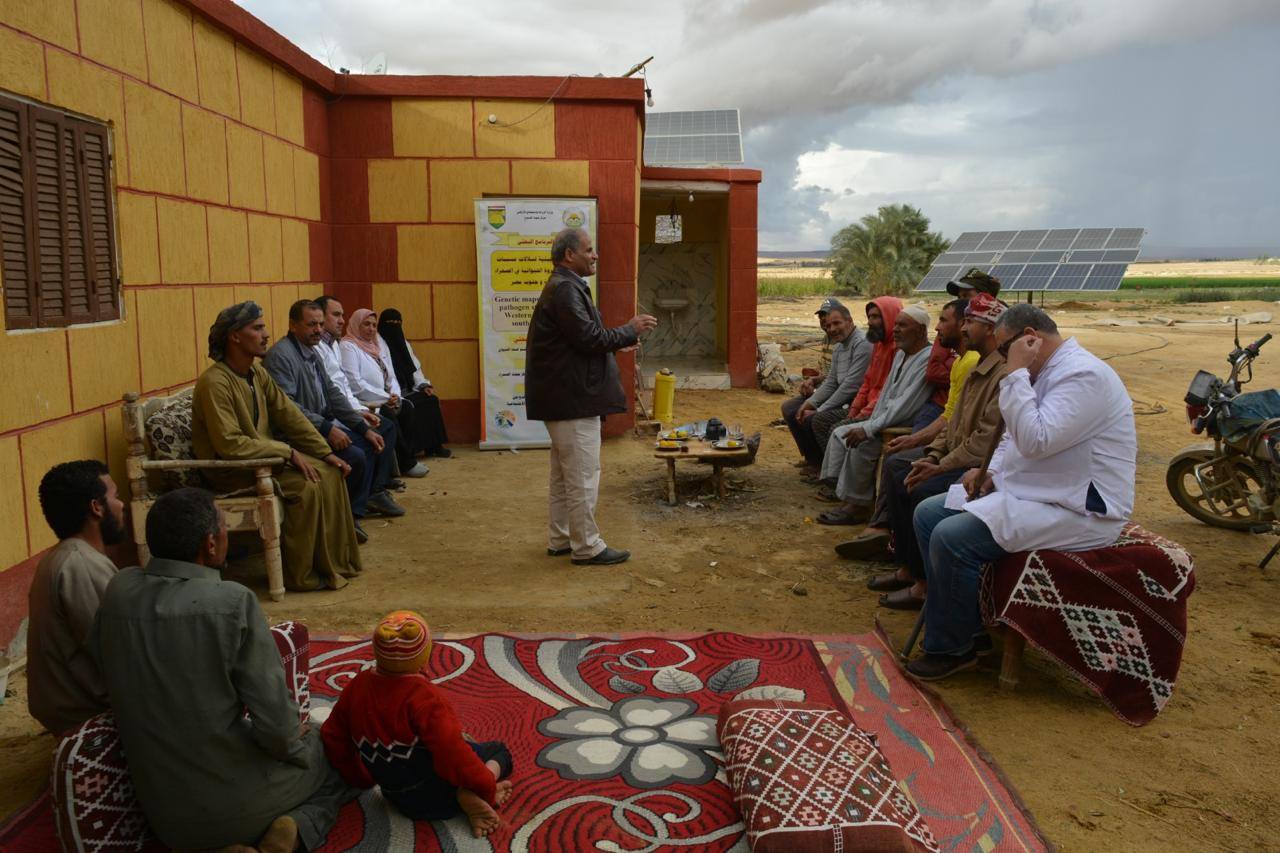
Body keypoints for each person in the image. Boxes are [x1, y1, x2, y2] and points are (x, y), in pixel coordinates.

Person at [90, 488, 357, 851]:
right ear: (211, 544)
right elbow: (278, 729)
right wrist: (307, 748)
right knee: (340, 757)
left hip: (163, 815)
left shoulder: (118, 590)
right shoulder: (232, 602)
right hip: (234, 809)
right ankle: (295, 830)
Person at [907, 304, 1137, 681]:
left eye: (1004, 348)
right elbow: (1014, 434)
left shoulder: (1083, 376)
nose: (1000, 357)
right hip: (1038, 491)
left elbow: (1035, 440)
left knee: (952, 538)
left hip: (1080, 507)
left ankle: (952, 647)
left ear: (1030, 337)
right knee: (930, 513)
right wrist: (990, 470)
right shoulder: (1045, 371)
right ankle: (968, 630)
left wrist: (1013, 373)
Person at [841, 294, 1010, 610]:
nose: (961, 328)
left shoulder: (998, 374)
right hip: (955, 457)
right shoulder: (972, 366)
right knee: (899, 467)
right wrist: (932, 456)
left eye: (968, 322)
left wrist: (939, 464)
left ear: (989, 329)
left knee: (917, 486)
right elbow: (952, 423)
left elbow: (984, 441)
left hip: (976, 467)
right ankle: (908, 567)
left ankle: (923, 581)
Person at [193, 300, 362, 591]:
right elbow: (230, 444)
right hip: (232, 470)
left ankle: (335, 564)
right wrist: (288, 452)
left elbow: (290, 414)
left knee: (331, 473)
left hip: (264, 460)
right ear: (235, 336)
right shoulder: (215, 383)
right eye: (257, 328)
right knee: (307, 485)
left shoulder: (257, 374)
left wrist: (325, 452)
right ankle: (303, 575)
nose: (266, 334)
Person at [525, 227, 657, 565]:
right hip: (573, 400)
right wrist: (629, 329)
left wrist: (617, 341)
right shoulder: (566, 290)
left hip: (565, 398)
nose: (595, 255)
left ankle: (561, 539)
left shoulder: (563, 287)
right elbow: (589, 338)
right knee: (583, 475)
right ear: (570, 255)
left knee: (563, 476)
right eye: (589, 249)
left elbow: (582, 341)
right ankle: (587, 547)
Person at [321, 610, 515, 838]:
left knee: (432, 745)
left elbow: (333, 736)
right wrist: (486, 790)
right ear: (424, 657)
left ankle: (466, 791)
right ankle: (470, 793)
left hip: (399, 798)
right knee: (499, 751)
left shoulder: (357, 686)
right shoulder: (423, 696)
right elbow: (452, 754)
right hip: (442, 794)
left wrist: (360, 778)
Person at [264, 300, 404, 543]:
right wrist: (328, 429)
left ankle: (351, 516)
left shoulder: (311, 351)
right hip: (298, 434)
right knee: (356, 455)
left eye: (320, 324)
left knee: (371, 438)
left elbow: (333, 394)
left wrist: (361, 426)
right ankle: (344, 519)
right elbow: (288, 407)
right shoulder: (282, 356)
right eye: (311, 324)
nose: (318, 329)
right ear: (293, 325)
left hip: (321, 424)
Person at [856, 299, 976, 543]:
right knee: (898, 456)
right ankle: (887, 531)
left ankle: (886, 530)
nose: (937, 327)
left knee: (900, 463)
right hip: (945, 433)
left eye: (943, 320)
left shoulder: (971, 363)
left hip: (966, 454)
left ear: (964, 325)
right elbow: (950, 414)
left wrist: (930, 451)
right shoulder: (961, 362)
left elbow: (960, 422)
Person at [25, 460, 124, 736]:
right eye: (115, 496)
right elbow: (116, 654)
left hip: (69, 710)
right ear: (96, 507)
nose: (122, 505)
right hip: (83, 716)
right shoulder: (81, 564)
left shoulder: (65, 556)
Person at [816, 304, 932, 525]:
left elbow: (904, 406)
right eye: (895, 324)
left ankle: (857, 505)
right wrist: (869, 421)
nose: (895, 330)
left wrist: (870, 427)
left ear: (920, 331)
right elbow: (885, 392)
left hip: (904, 423)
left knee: (862, 439)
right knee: (847, 431)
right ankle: (846, 495)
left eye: (902, 325)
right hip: (884, 417)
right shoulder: (901, 354)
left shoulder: (925, 358)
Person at [341, 308, 431, 478]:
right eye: (366, 324)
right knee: (388, 414)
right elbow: (355, 383)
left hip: (384, 397)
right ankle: (406, 464)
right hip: (363, 400)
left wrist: (395, 395)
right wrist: (385, 398)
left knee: (407, 408)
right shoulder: (348, 346)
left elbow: (390, 375)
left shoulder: (374, 346)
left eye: (374, 325)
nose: (371, 329)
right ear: (355, 324)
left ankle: (406, 457)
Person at [781, 298, 871, 468]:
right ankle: (813, 460)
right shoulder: (838, 346)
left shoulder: (862, 344)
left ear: (850, 321)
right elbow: (831, 381)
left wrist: (818, 408)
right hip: (840, 398)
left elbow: (850, 386)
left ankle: (826, 467)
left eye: (837, 323)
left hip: (855, 403)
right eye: (828, 325)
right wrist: (809, 403)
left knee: (815, 419)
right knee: (792, 409)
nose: (832, 329)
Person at [379, 308, 452, 458]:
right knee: (412, 405)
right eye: (390, 323)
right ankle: (411, 450)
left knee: (430, 399)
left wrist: (424, 385)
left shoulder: (403, 342)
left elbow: (414, 367)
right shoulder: (378, 344)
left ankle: (434, 446)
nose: (395, 326)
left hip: (409, 387)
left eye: (398, 323)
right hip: (392, 392)